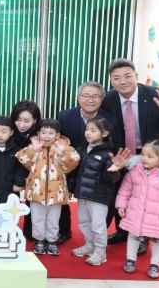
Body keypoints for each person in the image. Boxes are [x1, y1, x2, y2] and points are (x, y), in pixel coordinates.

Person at [102, 59, 159, 253]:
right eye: (117, 78)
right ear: (111, 81)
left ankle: (144, 236)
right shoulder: (109, 99)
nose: (123, 81)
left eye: (127, 76)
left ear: (136, 76)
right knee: (124, 191)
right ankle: (124, 230)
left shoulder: (154, 94)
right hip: (126, 152)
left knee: (151, 196)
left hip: (156, 154)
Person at [117, 140, 159, 279]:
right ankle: (130, 259)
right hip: (136, 213)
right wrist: (121, 205)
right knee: (134, 235)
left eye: (150, 156)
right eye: (143, 154)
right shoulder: (135, 171)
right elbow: (125, 190)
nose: (144, 158)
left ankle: (155, 264)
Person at [56, 81, 114, 245]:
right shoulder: (65, 116)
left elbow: (113, 143)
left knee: (97, 211)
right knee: (63, 200)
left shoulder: (110, 118)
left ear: (102, 99)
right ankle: (64, 230)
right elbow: (61, 140)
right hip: (71, 166)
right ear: (78, 97)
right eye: (86, 96)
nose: (90, 100)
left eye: (95, 96)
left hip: (97, 168)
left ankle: (97, 242)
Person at [16, 119, 80, 256]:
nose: (46, 136)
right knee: (37, 218)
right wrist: (34, 150)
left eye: (51, 133)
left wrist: (62, 154)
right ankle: (39, 240)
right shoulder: (34, 147)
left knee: (53, 220)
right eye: (43, 132)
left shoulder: (65, 147)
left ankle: (52, 241)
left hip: (56, 193)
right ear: (38, 134)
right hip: (36, 192)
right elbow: (22, 158)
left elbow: (74, 161)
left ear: (57, 135)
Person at [71, 118, 122, 266]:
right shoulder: (82, 150)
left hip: (99, 197)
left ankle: (100, 251)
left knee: (98, 226)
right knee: (83, 222)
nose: (88, 133)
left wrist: (113, 170)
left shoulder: (107, 154)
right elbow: (76, 172)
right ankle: (90, 245)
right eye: (87, 129)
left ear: (104, 133)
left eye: (93, 130)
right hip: (83, 194)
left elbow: (112, 179)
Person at [11, 100, 42, 239]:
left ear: (35, 120)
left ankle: (32, 232)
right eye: (18, 120)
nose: (21, 125)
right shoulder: (10, 131)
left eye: (26, 121)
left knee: (34, 205)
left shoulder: (40, 135)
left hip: (36, 176)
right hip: (12, 173)